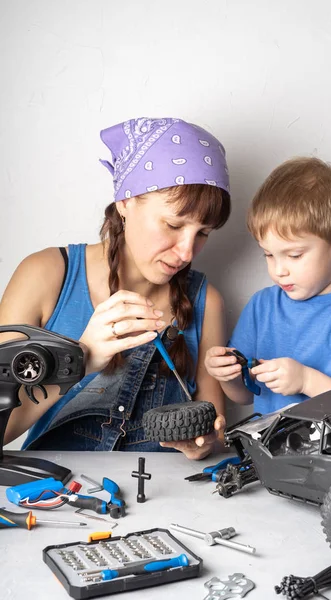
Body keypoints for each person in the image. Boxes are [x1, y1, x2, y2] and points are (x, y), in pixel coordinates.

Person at [1, 117, 231, 458]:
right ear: (125, 202)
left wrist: (206, 443)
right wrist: (81, 359)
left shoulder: (206, 302)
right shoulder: (45, 274)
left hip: (165, 501)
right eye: (172, 224)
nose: (186, 252)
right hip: (59, 497)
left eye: (203, 234)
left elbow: (213, 432)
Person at [205, 157, 331, 414]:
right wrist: (227, 376)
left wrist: (308, 381)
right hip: (267, 451)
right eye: (269, 255)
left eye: (294, 255)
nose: (278, 270)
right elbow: (244, 396)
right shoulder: (262, 306)